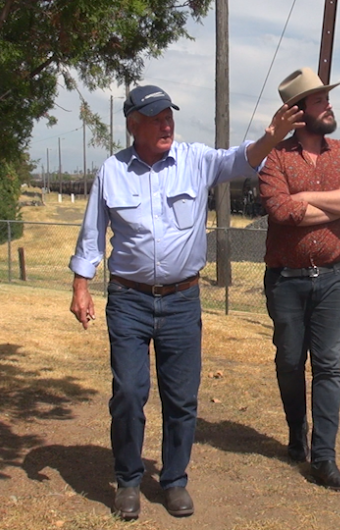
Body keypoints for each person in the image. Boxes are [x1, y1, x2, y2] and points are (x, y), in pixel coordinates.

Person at [69, 84, 302, 520]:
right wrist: (81, 286)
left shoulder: (195, 160)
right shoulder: (112, 172)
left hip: (181, 301)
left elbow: (242, 159)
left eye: (168, 116)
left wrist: (271, 136)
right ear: (133, 125)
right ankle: (128, 481)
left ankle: (174, 481)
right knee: (128, 393)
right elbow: (92, 234)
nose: (166, 123)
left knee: (181, 398)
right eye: (156, 118)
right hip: (129, 301)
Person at [258, 67, 340, 491]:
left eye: (327, 99)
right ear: (299, 111)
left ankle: (324, 458)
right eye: (320, 100)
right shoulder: (277, 159)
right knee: (290, 361)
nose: (329, 106)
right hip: (285, 280)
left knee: (328, 366)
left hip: (335, 279)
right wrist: (336, 204)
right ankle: (296, 429)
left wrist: (306, 197)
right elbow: (282, 212)